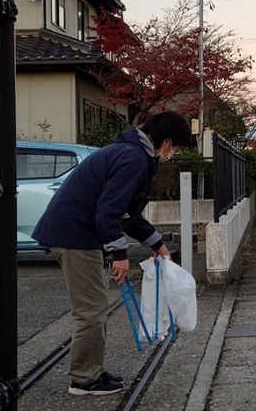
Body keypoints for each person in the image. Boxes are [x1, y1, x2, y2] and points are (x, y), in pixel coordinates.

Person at [32, 111, 193, 395]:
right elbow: (109, 211)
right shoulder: (133, 158)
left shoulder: (132, 153)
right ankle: (84, 379)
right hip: (74, 234)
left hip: (75, 232)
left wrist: (157, 243)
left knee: (94, 307)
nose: (177, 153)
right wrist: (120, 254)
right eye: (178, 147)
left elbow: (128, 214)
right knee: (91, 310)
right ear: (166, 141)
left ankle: (91, 372)